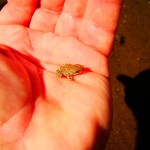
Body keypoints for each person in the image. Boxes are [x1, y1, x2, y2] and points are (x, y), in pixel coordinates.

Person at [0, 0, 123, 149]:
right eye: (79, 71)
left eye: (79, 70)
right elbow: (65, 72)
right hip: (62, 70)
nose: (80, 71)